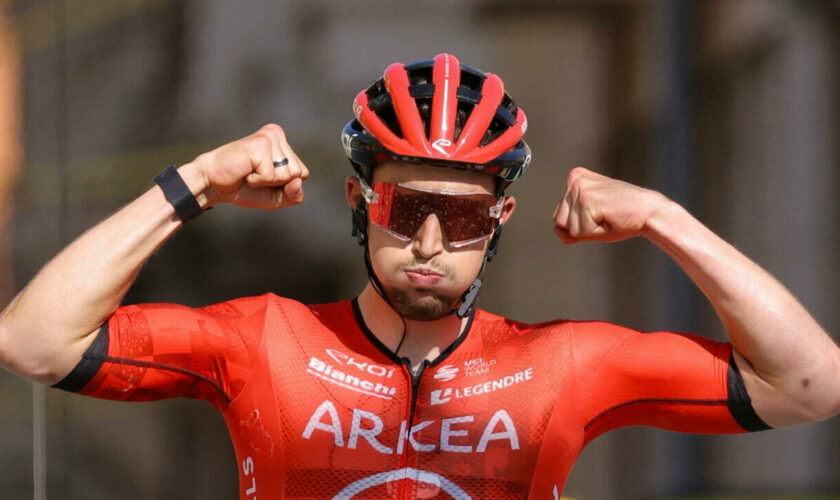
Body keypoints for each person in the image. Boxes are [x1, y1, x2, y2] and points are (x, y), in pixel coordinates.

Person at [0, 53, 838, 499]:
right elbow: (33, 341)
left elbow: (812, 383)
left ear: (500, 221)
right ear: (362, 203)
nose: (432, 242)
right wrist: (200, 181)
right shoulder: (262, 340)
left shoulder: (565, 366)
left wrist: (665, 217)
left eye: (465, 216)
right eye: (406, 209)